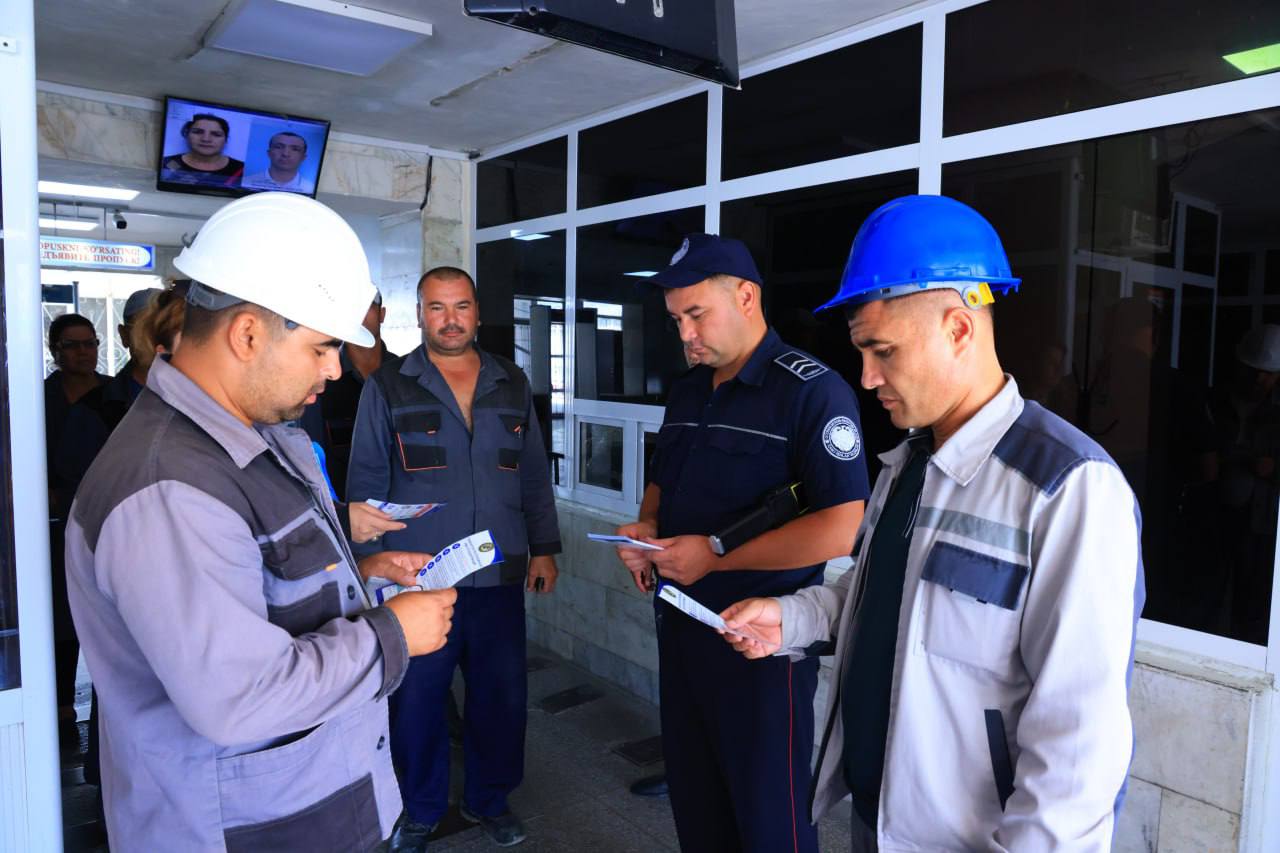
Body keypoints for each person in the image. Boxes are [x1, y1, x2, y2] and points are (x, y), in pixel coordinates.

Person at [721, 195, 1145, 851]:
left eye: (882, 350)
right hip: (879, 823)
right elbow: (884, 598)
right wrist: (792, 618)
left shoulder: (1068, 488)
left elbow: (1077, 746)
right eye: (862, 351)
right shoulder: (908, 464)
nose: (866, 378)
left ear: (959, 330)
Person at [64, 192, 458, 851]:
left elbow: (251, 585)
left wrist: (358, 576)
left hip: (303, 810)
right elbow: (240, 697)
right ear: (247, 334)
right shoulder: (170, 488)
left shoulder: (247, 435)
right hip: (244, 832)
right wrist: (393, 633)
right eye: (322, 346)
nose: (335, 369)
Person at [611, 233, 870, 853]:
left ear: (747, 297)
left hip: (760, 646)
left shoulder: (810, 391)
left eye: (697, 315)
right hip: (681, 628)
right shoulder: (689, 389)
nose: (685, 335)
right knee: (697, 803)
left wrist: (715, 555)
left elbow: (841, 525)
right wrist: (647, 530)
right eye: (676, 319)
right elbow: (663, 480)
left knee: (770, 819)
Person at [347, 266, 562, 851]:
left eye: (461, 306)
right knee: (417, 699)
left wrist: (544, 549)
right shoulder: (389, 386)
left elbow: (533, 476)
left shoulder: (510, 381)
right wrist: (370, 567)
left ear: (477, 312)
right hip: (419, 579)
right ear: (419, 314)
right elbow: (364, 485)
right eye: (437, 308)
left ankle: (489, 799)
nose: (450, 320)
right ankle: (418, 809)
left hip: (498, 575)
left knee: (501, 696)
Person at [43, 312, 108, 747]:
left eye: (90, 343)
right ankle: (62, 707)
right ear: (56, 351)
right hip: (53, 521)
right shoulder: (40, 398)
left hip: (106, 518)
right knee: (60, 617)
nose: (83, 352)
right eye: (73, 345)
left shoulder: (115, 396)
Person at [302, 287, 392, 501]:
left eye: (367, 307)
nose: (359, 315)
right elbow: (310, 452)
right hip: (340, 507)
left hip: (398, 508)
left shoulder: (405, 375)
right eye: (352, 308)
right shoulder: (320, 378)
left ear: (382, 314)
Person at [160, 112, 244, 187]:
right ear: (186, 135)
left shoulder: (242, 169)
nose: (206, 139)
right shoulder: (167, 163)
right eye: (198, 132)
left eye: (216, 134)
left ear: (226, 139)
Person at [242, 130, 315, 194]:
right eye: (279, 147)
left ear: (303, 157)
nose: (285, 154)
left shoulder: (309, 188)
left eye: (295, 149)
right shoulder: (247, 182)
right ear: (269, 153)